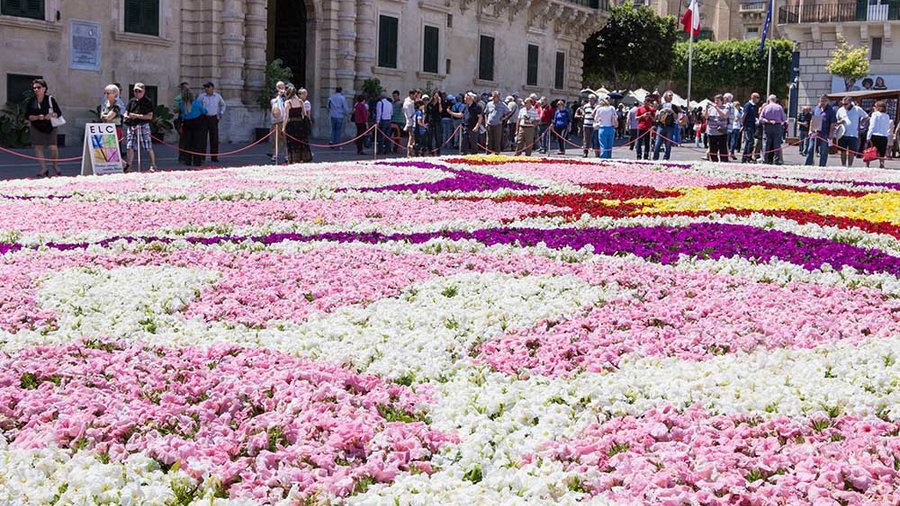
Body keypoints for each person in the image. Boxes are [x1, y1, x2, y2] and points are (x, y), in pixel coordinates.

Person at [25, 79, 62, 177]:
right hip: (36, 127)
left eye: (38, 87)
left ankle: (55, 165)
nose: (36, 90)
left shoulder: (50, 99)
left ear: (44, 88)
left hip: (50, 127)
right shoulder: (31, 101)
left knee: (53, 147)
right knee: (38, 147)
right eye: (34, 88)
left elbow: (58, 112)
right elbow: (27, 116)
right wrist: (37, 117)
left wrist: (51, 115)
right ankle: (43, 168)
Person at [123, 82, 158, 172]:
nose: (137, 93)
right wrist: (126, 116)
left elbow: (150, 116)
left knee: (147, 146)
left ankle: (153, 164)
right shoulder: (132, 101)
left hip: (143, 125)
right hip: (132, 126)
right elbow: (126, 112)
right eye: (135, 91)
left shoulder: (147, 102)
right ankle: (128, 166)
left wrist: (136, 116)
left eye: (139, 91)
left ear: (143, 91)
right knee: (129, 146)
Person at [178, 86, 208, 166]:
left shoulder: (181, 104)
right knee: (197, 142)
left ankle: (187, 160)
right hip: (197, 123)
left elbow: (182, 115)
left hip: (187, 123)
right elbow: (204, 111)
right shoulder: (197, 102)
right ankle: (197, 161)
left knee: (187, 143)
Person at [283, 84, 313, 164]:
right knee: (301, 141)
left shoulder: (288, 102)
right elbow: (304, 114)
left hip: (291, 124)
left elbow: (286, 116)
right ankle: (302, 158)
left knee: (292, 142)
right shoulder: (300, 101)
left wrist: (283, 127)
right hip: (300, 124)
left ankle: (293, 159)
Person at [805, 95, 837, 167]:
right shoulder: (816, 109)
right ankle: (808, 165)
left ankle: (822, 166)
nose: (822, 103)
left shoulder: (831, 110)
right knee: (810, 149)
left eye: (824, 101)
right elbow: (812, 120)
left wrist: (831, 134)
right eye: (820, 101)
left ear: (827, 101)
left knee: (823, 151)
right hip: (815, 132)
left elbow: (832, 123)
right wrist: (810, 131)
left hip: (825, 133)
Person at [835, 97, 868, 167]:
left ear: (850, 103)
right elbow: (836, 120)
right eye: (843, 104)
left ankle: (850, 165)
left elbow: (866, 116)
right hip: (842, 133)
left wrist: (862, 122)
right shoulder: (840, 110)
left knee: (851, 151)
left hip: (853, 133)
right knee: (842, 151)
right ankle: (843, 165)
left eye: (846, 104)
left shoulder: (857, 109)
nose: (844, 105)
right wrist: (839, 122)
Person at [199, 82, 226, 162]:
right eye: (205, 87)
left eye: (208, 87)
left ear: (212, 88)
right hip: (204, 118)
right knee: (202, 138)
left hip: (213, 118)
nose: (206, 89)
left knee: (214, 138)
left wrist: (221, 113)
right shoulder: (201, 96)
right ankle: (202, 157)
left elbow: (223, 105)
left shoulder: (217, 96)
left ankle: (214, 157)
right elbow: (197, 105)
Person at [99, 84, 124, 166]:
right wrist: (105, 116)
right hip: (107, 128)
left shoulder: (117, 105)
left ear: (115, 94)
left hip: (115, 129)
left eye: (108, 93)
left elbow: (109, 117)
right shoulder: (106, 104)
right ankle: (117, 165)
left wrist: (105, 116)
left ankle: (121, 165)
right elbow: (101, 116)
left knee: (114, 148)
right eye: (105, 93)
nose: (106, 95)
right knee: (108, 149)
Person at [758, 94, 786, 165]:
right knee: (777, 143)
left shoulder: (766, 107)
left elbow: (760, 118)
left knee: (766, 143)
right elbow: (783, 119)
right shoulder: (779, 107)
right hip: (777, 126)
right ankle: (776, 159)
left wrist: (768, 121)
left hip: (767, 126)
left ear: (768, 100)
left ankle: (765, 159)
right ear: (775, 100)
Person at [652, 90, 680, 161]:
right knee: (657, 143)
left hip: (670, 127)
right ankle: (655, 158)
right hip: (661, 126)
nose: (671, 97)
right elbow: (656, 116)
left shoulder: (674, 106)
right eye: (669, 95)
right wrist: (662, 111)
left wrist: (672, 111)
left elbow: (676, 117)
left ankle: (666, 158)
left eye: (671, 96)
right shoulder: (661, 106)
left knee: (668, 144)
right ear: (665, 96)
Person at [705, 95, 730, 162]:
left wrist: (717, 108)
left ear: (722, 101)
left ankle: (724, 161)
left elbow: (725, 116)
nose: (716, 102)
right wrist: (707, 109)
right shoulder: (711, 109)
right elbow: (706, 117)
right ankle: (714, 161)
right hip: (712, 132)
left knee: (723, 148)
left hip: (721, 132)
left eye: (718, 100)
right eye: (715, 100)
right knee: (713, 148)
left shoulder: (725, 108)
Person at [867, 100, 891, 169]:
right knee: (882, 151)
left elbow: (872, 126)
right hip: (883, 135)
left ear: (877, 107)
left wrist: (868, 136)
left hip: (875, 135)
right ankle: (881, 164)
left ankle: (867, 164)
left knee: (870, 150)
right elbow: (887, 126)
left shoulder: (875, 114)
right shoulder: (887, 116)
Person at [740, 93, 761, 163]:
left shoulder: (754, 106)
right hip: (748, 126)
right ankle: (746, 157)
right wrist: (742, 124)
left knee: (750, 142)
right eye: (757, 97)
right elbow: (744, 115)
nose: (758, 99)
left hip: (752, 125)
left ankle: (747, 156)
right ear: (753, 97)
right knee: (749, 141)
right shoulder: (748, 105)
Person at [269, 81, 286, 163]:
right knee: (275, 140)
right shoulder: (274, 97)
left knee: (286, 140)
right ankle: (274, 155)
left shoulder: (287, 97)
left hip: (285, 121)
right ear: (277, 88)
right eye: (280, 87)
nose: (282, 89)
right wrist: (279, 95)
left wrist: (286, 95)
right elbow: (272, 103)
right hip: (276, 122)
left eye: (283, 87)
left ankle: (286, 156)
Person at [173, 82, 190, 164]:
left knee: (189, 139)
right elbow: (174, 110)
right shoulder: (178, 98)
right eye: (186, 89)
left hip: (191, 120)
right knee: (183, 139)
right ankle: (181, 156)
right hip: (182, 120)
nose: (188, 91)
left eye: (188, 89)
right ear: (182, 90)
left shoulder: (192, 98)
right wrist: (181, 106)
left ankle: (188, 156)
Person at [403, 89, 418, 157]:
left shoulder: (411, 102)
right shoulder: (407, 103)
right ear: (411, 95)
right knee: (411, 137)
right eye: (415, 95)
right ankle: (409, 152)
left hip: (413, 122)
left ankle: (411, 152)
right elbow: (409, 114)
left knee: (412, 137)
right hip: (410, 122)